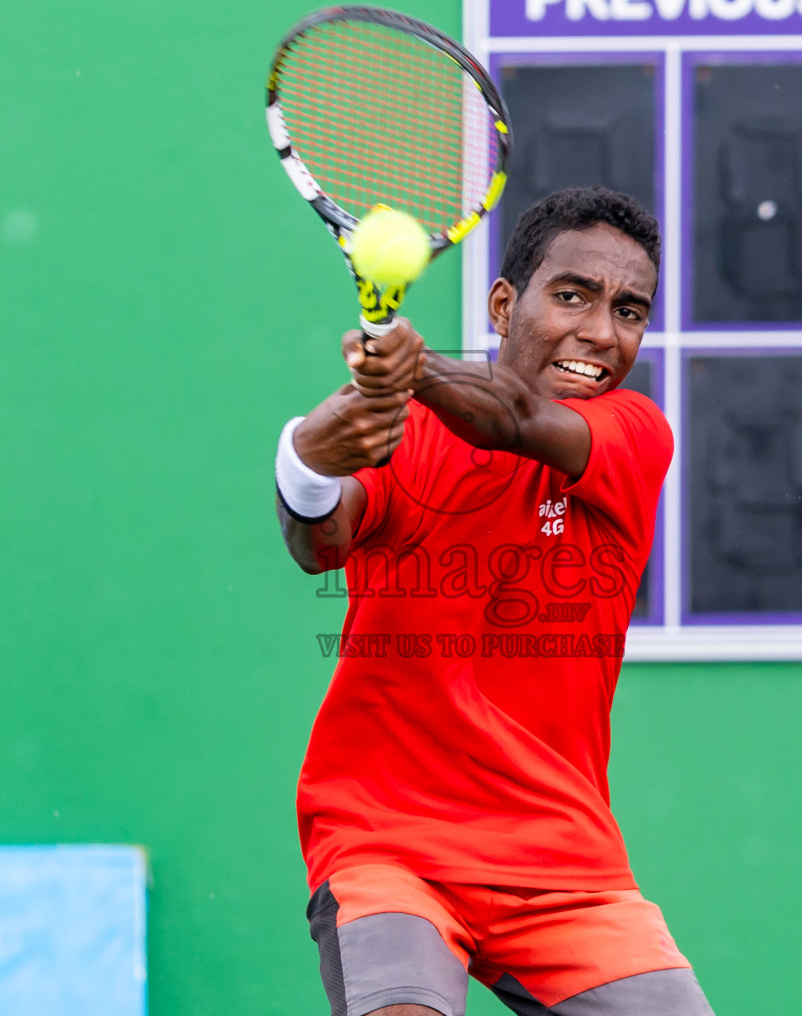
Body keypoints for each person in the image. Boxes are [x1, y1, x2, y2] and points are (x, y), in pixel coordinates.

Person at [273, 187, 714, 1016]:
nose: (599, 332)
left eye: (629, 310)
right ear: (505, 303)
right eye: (573, 295)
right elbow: (320, 544)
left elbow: (510, 417)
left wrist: (415, 367)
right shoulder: (409, 435)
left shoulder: (635, 433)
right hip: (387, 844)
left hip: (565, 868)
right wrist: (303, 464)